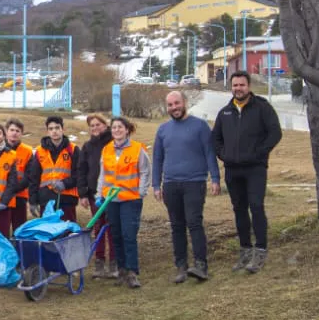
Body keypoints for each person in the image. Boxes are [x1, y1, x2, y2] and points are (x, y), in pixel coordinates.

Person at [212, 71, 283, 273]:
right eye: (235, 85)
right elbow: (215, 139)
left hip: (255, 168)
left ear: (249, 86)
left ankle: (260, 250)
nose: (238, 89)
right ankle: (245, 250)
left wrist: (259, 153)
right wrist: (223, 154)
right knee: (239, 209)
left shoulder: (262, 107)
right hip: (233, 170)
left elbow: (275, 133)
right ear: (231, 87)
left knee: (256, 206)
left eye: (242, 85)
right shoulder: (225, 112)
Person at [152, 91, 220, 283]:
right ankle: (181, 266)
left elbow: (209, 153)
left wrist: (215, 178)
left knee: (194, 222)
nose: (174, 107)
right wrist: (156, 184)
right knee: (176, 226)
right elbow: (157, 158)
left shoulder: (200, 126)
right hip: (171, 185)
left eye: (177, 103)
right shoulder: (163, 130)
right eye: (170, 105)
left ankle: (201, 265)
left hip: (194, 182)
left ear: (185, 103)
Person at [97, 116, 151, 288]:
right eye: (114, 128)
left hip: (130, 199)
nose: (117, 130)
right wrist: (100, 195)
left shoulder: (137, 149)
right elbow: (103, 175)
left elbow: (145, 171)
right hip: (111, 200)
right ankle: (121, 270)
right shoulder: (106, 150)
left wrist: (141, 192)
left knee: (129, 235)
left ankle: (132, 272)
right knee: (116, 235)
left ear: (127, 130)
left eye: (120, 127)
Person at [77, 113, 114, 277]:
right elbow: (82, 170)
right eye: (91, 126)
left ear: (105, 126)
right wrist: (83, 193)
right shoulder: (87, 147)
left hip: (112, 193)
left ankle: (114, 262)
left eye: (97, 124)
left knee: (113, 227)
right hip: (94, 194)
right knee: (98, 226)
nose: (95, 128)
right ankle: (99, 262)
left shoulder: (113, 143)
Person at [27, 115, 81, 221]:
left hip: (67, 199)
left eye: (57, 128)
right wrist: (32, 201)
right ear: (47, 131)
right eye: (51, 129)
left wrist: (65, 183)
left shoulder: (73, 150)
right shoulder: (39, 151)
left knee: (67, 232)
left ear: (62, 129)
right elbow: (34, 178)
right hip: (46, 199)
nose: (54, 131)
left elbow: (79, 175)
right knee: (48, 233)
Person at [5, 119, 34, 232]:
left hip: (20, 196)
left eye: (17, 130)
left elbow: (29, 175)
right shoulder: (0, 149)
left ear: (21, 134)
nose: (14, 133)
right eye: (12, 130)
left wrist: (14, 189)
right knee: (3, 229)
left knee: (20, 229)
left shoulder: (28, 151)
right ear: (6, 132)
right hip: (2, 197)